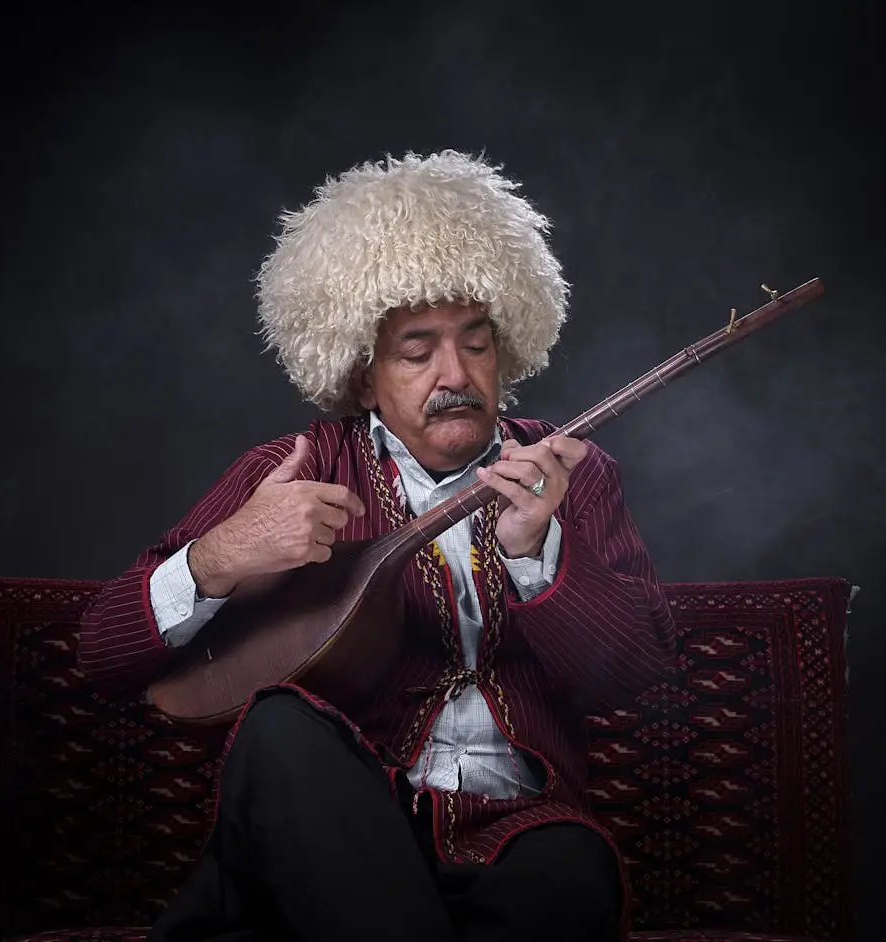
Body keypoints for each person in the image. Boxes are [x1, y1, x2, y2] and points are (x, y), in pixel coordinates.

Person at [78, 150, 676, 942]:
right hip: (337, 832)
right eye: (417, 351)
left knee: (575, 870)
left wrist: (539, 551)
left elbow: (637, 675)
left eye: (476, 343)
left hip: (516, 835)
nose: (455, 375)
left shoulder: (573, 472)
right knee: (279, 730)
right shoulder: (294, 470)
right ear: (364, 376)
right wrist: (221, 556)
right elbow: (101, 652)